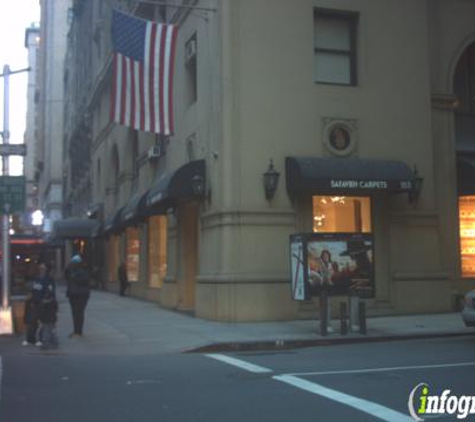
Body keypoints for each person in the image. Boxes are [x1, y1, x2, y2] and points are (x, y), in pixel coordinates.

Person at [22, 262, 55, 347]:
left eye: (43, 268)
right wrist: (30, 296)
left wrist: (46, 299)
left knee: (42, 322)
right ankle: (31, 339)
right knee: (32, 321)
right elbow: (31, 289)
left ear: (46, 269)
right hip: (34, 302)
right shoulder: (35, 278)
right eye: (40, 268)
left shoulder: (49, 279)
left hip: (44, 303)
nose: (41, 270)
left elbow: (51, 291)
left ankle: (40, 339)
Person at [65, 255, 90, 337]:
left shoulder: (82, 272)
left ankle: (79, 331)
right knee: (75, 313)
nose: (72, 265)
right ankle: (76, 330)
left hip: (80, 295)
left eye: (74, 263)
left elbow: (85, 281)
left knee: (78, 312)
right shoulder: (71, 272)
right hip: (73, 294)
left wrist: (75, 278)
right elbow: (66, 276)